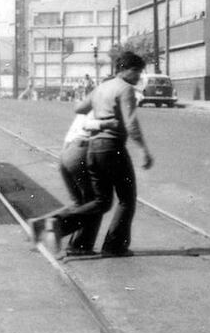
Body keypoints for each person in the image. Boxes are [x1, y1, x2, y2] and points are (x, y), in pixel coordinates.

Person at [33, 51, 153, 257]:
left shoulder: (101, 88)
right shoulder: (125, 89)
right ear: (124, 69)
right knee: (127, 199)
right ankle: (114, 246)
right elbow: (131, 123)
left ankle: (52, 225)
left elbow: (79, 108)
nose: (138, 76)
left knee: (101, 201)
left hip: (94, 150)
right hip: (113, 147)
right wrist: (143, 151)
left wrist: (100, 114)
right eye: (136, 71)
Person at [35, 112, 120, 255]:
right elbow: (91, 126)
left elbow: (70, 135)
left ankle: (77, 244)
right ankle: (53, 228)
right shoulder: (104, 106)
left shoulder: (86, 109)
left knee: (83, 204)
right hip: (83, 152)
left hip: (68, 153)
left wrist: (62, 161)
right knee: (97, 202)